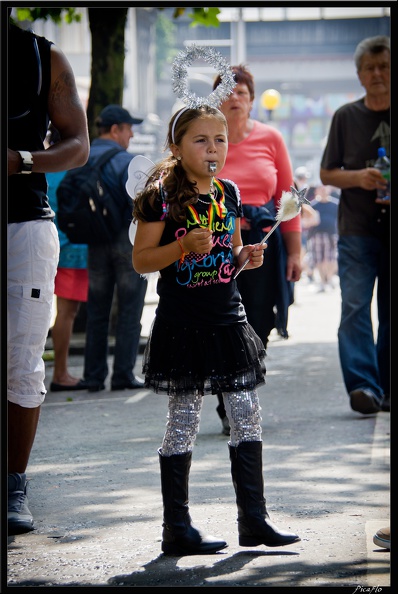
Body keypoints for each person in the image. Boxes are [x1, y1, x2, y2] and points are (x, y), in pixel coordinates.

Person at [132, 104, 300, 556]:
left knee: (246, 414)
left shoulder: (228, 191)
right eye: (200, 140)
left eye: (219, 140)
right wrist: (181, 245)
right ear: (176, 147)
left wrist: (247, 258)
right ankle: (177, 528)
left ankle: (254, 519)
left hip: (230, 321)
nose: (213, 149)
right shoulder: (160, 197)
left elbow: (233, 253)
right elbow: (142, 260)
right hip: (183, 325)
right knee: (183, 420)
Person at [7, 14, 90, 535]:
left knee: (20, 361)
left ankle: (13, 482)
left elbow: (76, 144)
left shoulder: (42, 57)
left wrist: (18, 160)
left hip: (24, 227)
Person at [212, 64, 302, 434]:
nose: (235, 98)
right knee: (220, 324)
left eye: (242, 92)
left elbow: (289, 198)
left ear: (251, 101)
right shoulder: (206, 138)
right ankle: (227, 402)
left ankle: (244, 393)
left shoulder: (271, 138)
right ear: (216, 100)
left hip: (263, 247)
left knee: (258, 322)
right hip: (216, 246)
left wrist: (295, 252)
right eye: (228, 92)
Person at [320, 35, 390, 415]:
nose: (378, 74)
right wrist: (359, 178)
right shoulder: (346, 116)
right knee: (355, 307)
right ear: (360, 75)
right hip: (357, 229)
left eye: (384, 66)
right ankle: (364, 386)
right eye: (370, 68)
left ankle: (388, 386)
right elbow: (326, 173)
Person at [78, 105, 148, 392]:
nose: (131, 134)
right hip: (126, 241)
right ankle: (123, 374)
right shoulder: (127, 162)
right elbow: (141, 204)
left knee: (97, 309)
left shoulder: (82, 157)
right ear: (116, 129)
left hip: (94, 242)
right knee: (130, 308)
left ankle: (93, 376)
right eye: (129, 127)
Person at [44, 124, 89, 391]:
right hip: (72, 248)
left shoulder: (42, 165)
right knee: (66, 314)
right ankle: (60, 373)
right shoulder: (72, 166)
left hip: (45, 243)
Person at [306, 183, 339, 292]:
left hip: (332, 235)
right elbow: (307, 221)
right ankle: (323, 281)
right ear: (317, 191)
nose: (323, 191)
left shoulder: (335, 204)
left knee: (331, 258)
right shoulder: (313, 205)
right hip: (317, 235)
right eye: (321, 189)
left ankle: (328, 279)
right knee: (319, 259)